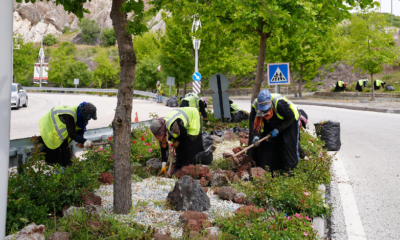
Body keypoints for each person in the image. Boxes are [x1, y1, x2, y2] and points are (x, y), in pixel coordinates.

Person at [248, 89, 300, 172]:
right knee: (266, 146)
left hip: (290, 120)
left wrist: (277, 130)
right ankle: (271, 170)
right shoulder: (255, 106)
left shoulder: (279, 104)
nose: (264, 112)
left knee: (287, 146)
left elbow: (290, 118)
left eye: (266, 110)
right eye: (262, 110)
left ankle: (290, 171)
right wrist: (256, 137)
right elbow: (254, 125)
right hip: (271, 122)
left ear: (270, 104)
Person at [39, 102, 97, 168]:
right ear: (84, 113)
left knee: (66, 160)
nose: (89, 119)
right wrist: (85, 141)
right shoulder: (70, 115)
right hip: (49, 127)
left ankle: (63, 174)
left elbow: (79, 130)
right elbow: (72, 133)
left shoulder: (80, 117)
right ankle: (59, 175)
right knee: (58, 159)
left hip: (60, 134)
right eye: (88, 117)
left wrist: (81, 141)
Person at [150, 107, 203, 175]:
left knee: (189, 144)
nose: (161, 140)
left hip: (193, 117)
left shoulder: (173, 126)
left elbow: (184, 134)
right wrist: (164, 165)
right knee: (179, 148)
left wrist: (177, 142)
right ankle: (178, 167)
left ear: (164, 132)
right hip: (181, 125)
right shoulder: (161, 129)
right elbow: (164, 147)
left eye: (161, 137)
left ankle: (187, 168)